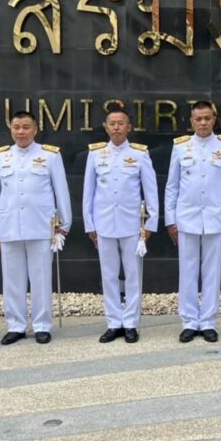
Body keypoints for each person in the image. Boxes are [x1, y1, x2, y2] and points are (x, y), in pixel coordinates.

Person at [0, 111, 71, 345]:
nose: (20, 132)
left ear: (35, 130)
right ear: (11, 129)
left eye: (25, 127)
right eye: (16, 127)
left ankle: (42, 325)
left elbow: (61, 191)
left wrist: (63, 224)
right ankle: (16, 325)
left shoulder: (50, 156)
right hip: (9, 225)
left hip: (41, 226)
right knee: (12, 279)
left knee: (41, 278)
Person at [164, 100, 221, 343]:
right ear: (191, 121)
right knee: (187, 272)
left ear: (214, 120)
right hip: (186, 219)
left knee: (212, 272)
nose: (202, 123)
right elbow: (172, 186)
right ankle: (189, 322)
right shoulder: (180, 147)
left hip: (215, 219)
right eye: (198, 119)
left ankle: (208, 321)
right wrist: (170, 219)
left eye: (207, 118)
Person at [82, 105, 158, 344]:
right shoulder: (96, 154)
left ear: (129, 127)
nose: (116, 128)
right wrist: (89, 224)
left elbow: (151, 191)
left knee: (133, 274)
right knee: (109, 275)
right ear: (106, 127)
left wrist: (150, 224)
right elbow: (88, 193)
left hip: (132, 224)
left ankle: (131, 323)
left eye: (121, 124)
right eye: (112, 124)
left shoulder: (140, 154)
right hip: (104, 223)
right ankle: (114, 323)